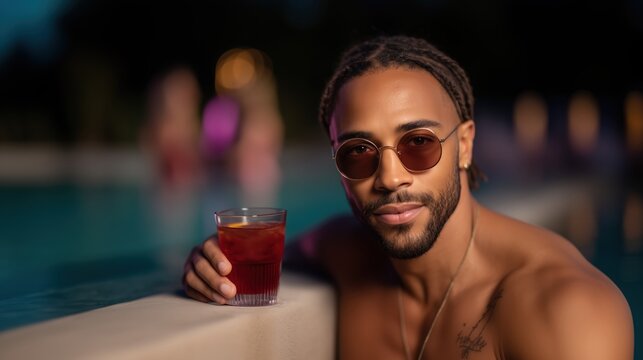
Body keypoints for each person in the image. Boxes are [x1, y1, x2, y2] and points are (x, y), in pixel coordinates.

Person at [182, 35, 634, 359]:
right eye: (358, 153)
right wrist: (210, 262)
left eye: (418, 142)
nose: (389, 178)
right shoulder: (344, 251)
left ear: (465, 145)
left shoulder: (568, 311)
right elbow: (260, 254)